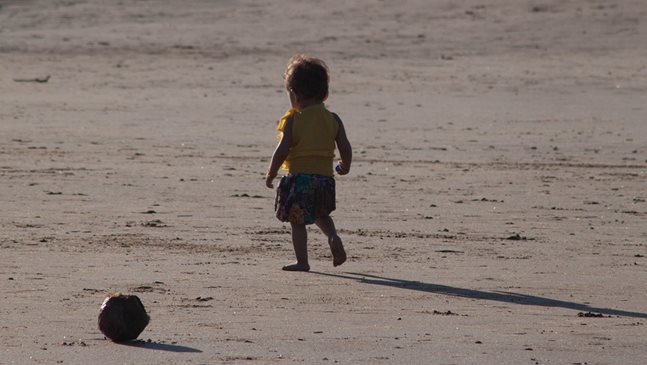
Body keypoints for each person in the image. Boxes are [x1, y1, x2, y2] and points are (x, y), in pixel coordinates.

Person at [265, 55, 352, 272]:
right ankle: (333, 237)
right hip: (324, 179)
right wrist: (345, 166)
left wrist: (271, 173)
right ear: (325, 93)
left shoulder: (294, 120)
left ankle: (302, 261)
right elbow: (345, 147)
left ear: (295, 94)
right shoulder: (333, 119)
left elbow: (282, 149)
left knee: (298, 221)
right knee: (322, 214)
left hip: (299, 179)